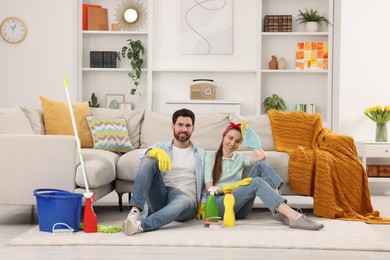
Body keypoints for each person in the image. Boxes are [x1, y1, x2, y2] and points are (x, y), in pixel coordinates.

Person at [198, 122, 324, 231]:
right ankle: (294, 216)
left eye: (238, 141)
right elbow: (209, 189)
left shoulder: (239, 158)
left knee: (261, 165)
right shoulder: (211, 157)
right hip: (220, 206)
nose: (232, 143)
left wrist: (252, 142)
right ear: (223, 137)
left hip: (239, 207)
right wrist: (232, 187)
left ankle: (279, 210)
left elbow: (262, 157)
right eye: (230, 138)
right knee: (256, 182)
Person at [122, 108, 206, 236]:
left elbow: (208, 180)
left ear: (193, 128)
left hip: (185, 199)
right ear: (173, 126)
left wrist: (204, 204)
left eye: (188, 125)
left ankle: (140, 225)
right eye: (180, 125)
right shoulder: (162, 147)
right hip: (162, 195)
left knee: (182, 201)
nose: (184, 129)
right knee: (148, 159)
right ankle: (134, 212)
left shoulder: (201, 153)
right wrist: (154, 152)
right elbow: (142, 154)